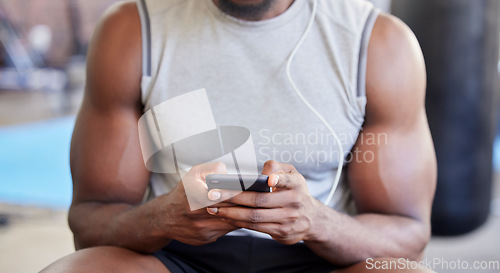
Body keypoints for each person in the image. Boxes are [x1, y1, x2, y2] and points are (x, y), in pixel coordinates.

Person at [42, 0, 437, 272]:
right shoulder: (132, 31)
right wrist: (164, 217)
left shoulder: (377, 44)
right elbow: (90, 220)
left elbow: (409, 236)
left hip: (322, 258)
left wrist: (317, 223)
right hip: (175, 257)